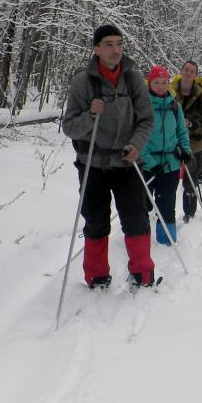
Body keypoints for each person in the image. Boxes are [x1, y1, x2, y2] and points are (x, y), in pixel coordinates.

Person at [61, 24, 155, 289]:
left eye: (119, 43)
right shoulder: (82, 82)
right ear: (96, 49)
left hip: (127, 163)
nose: (116, 49)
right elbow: (69, 127)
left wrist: (136, 144)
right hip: (93, 163)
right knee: (96, 221)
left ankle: (142, 274)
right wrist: (90, 115)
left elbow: (146, 119)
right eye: (109, 44)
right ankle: (97, 276)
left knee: (136, 219)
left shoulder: (133, 78)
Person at [140, 66, 192, 246]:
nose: (161, 86)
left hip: (171, 164)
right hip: (147, 166)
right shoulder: (142, 106)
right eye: (156, 82)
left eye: (164, 82)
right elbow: (138, 138)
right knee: (142, 205)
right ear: (149, 83)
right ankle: (141, 240)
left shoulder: (174, 105)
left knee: (167, 204)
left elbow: (181, 131)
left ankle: (166, 242)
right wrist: (150, 162)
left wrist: (186, 151)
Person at [171, 61, 202, 222]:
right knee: (170, 181)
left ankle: (189, 213)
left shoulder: (200, 96)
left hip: (193, 142)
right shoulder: (169, 92)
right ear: (181, 71)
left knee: (190, 179)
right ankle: (166, 215)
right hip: (171, 142)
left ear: (195, 74)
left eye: (192, 71)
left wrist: (191, 124)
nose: (188, 73)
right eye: (186, 70)